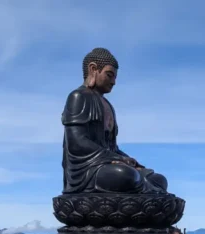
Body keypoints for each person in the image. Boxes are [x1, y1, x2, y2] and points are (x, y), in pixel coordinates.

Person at [61, 48, 169, 194]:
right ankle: (150, 193)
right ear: (93, 69)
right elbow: (76, 143)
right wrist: (116, 159)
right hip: (87, 170)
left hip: (107, 164)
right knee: (126, 175)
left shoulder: (108, 105)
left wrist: (127, 158)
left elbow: (111, 147)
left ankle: (149, 190)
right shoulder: (78, 96)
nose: (113, 82)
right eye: (109, 75)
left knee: (158, 179)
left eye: (115, 77)